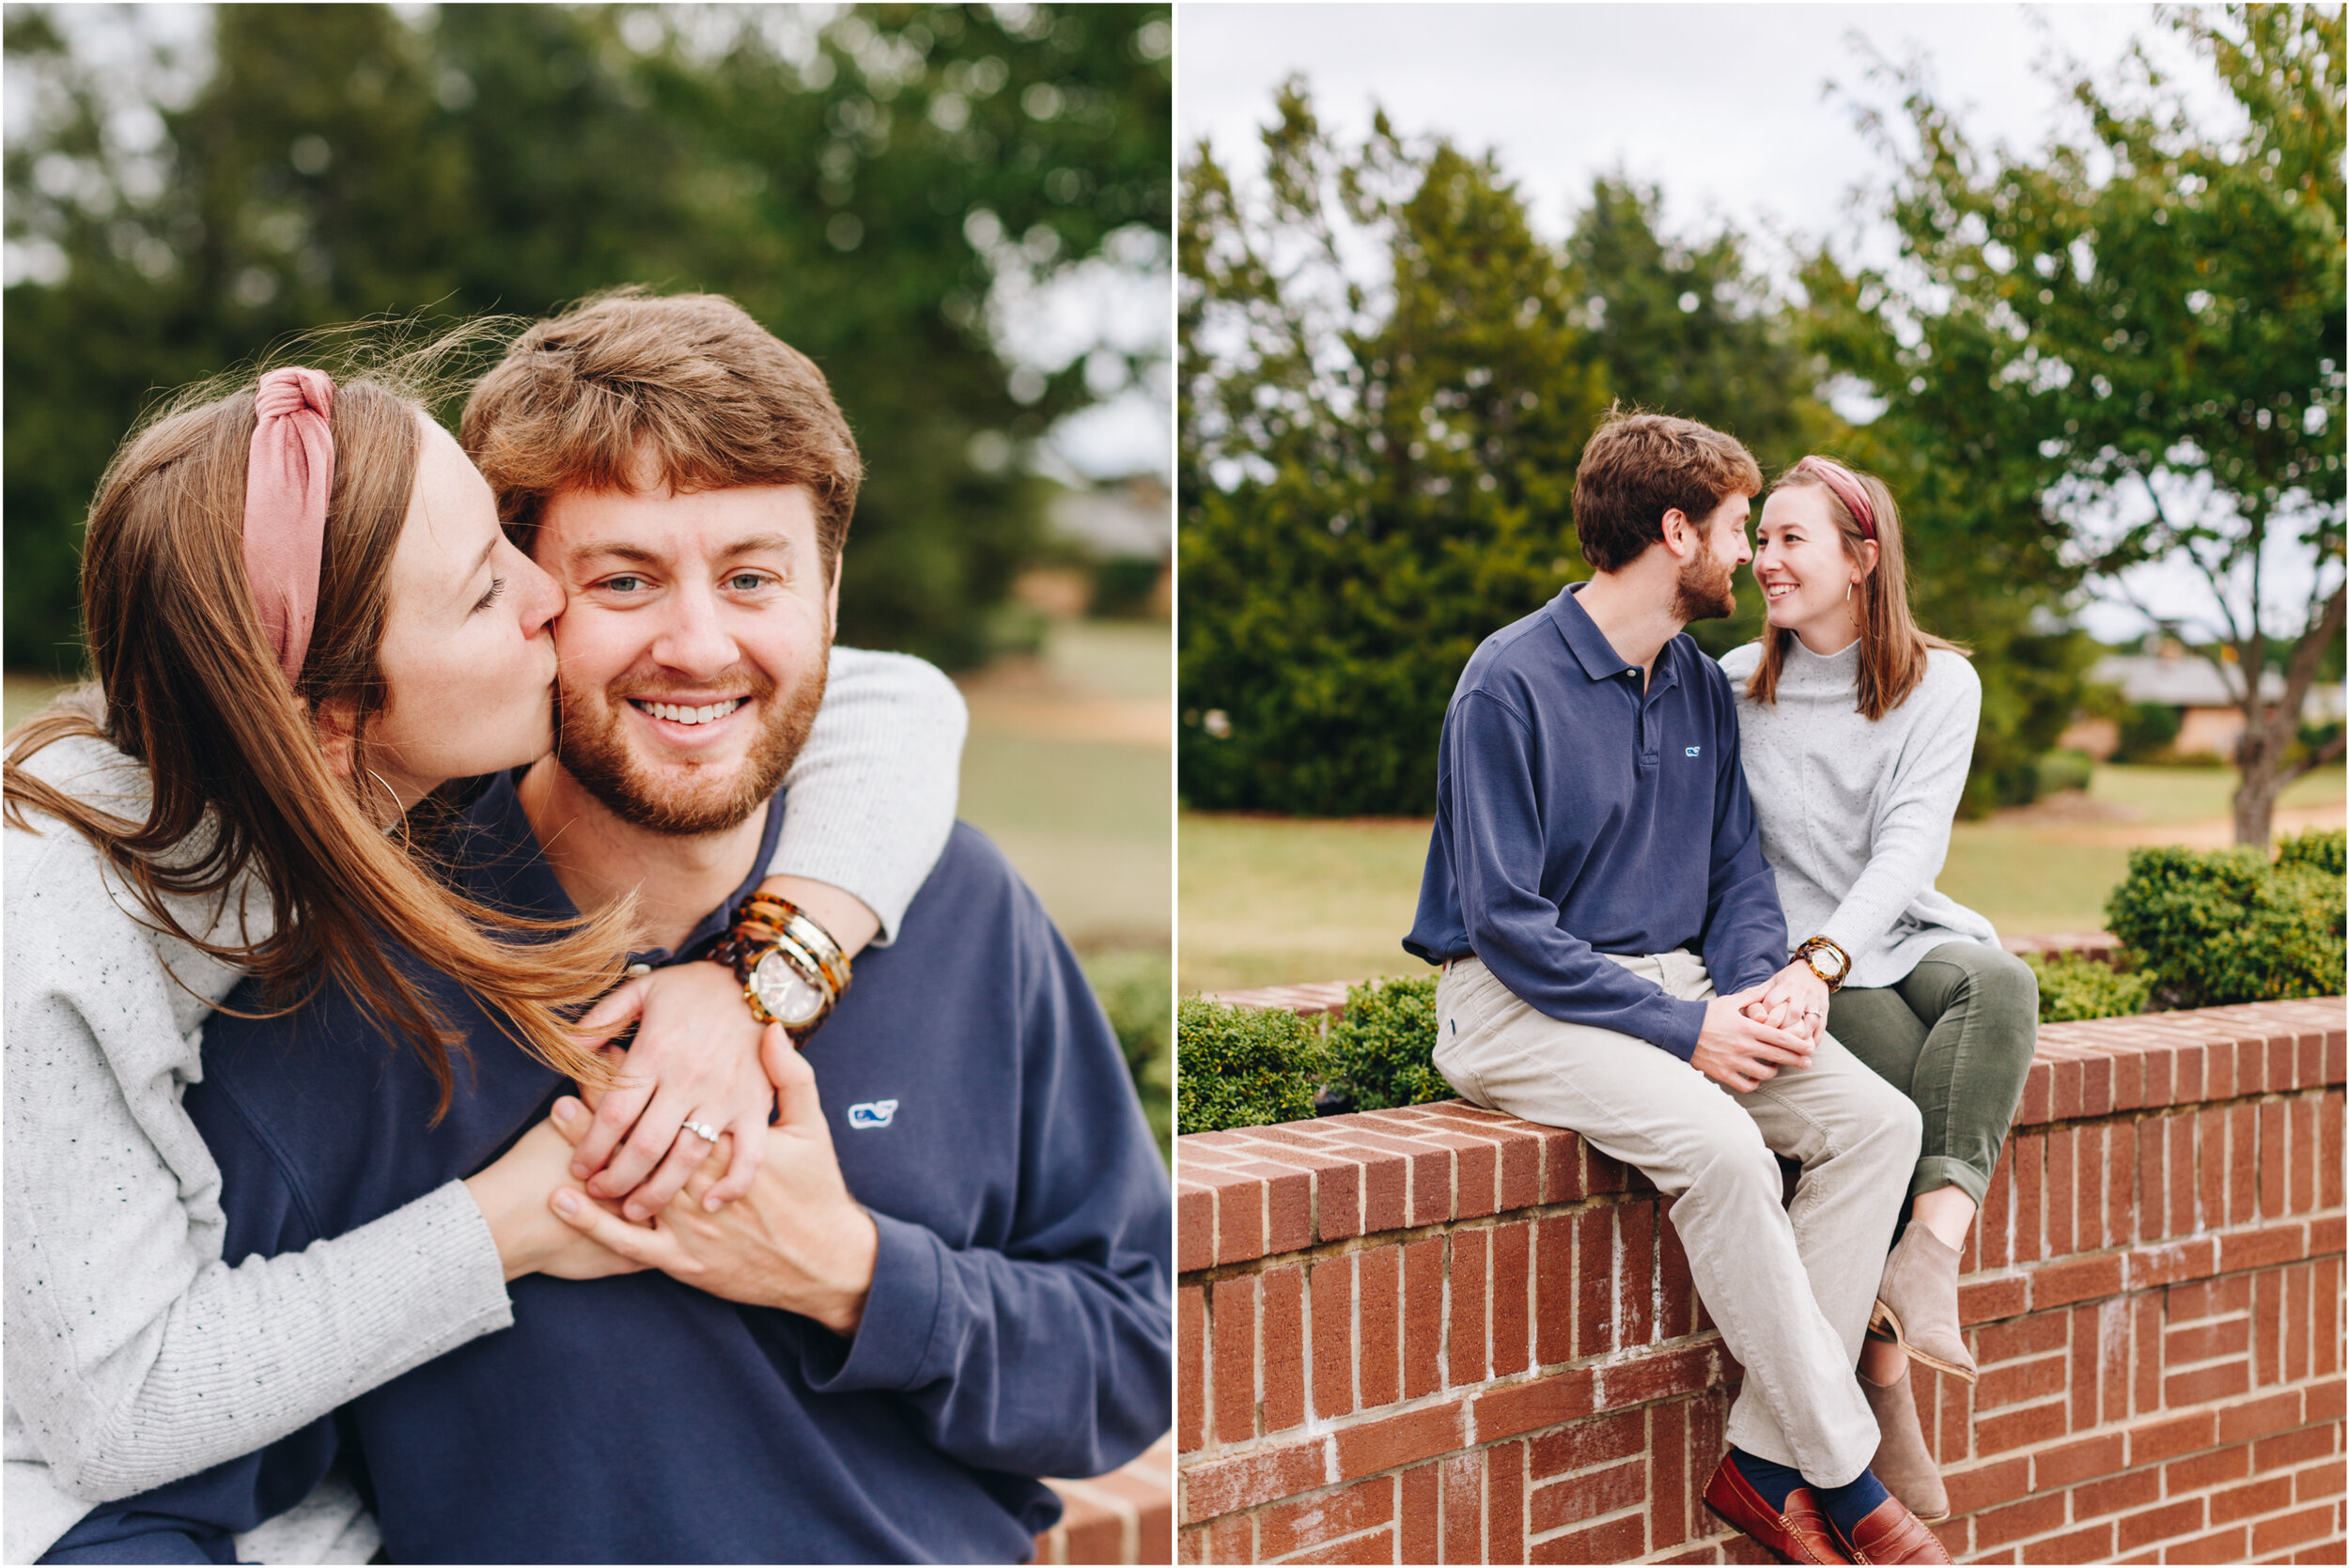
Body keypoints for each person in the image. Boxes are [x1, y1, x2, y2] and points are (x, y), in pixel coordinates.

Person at [48, 292, 1174, 1564]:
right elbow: (145, 1511)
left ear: (831, 588)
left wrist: (847, 1269)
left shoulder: (963, 910)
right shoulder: (351, 990)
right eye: (625, 580)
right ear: (529, 600)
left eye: (754, 576)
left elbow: (1135, 1359)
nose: (699, 645)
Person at [1405, 410, 1951, 1565]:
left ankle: (1759, 1463)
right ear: (1673, 531)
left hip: (1684, 987)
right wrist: (1682, 1027)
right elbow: (1505, 924)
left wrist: (1762, 997)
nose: (1750, 553)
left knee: (1874, 1122)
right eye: (1737, 526)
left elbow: (1736, 877)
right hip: (1516, 1005)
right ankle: (1849, 1479)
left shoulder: (1699, 688)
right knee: (1722, 1151)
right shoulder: (1506, 683)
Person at [1722, 455, 2040, 1523]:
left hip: (1890, 931)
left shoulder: (1939, 681)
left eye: (1791, 539)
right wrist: (1802, 968)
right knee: (1900, 1094)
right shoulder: (1727, 687)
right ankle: (1883, 1364)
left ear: (1863, 560)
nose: (1765, 559)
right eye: (1759, 538)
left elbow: (1907, 848)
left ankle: (1926, 1264)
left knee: (2000, 985)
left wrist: (1829, 959)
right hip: (1786, 957)